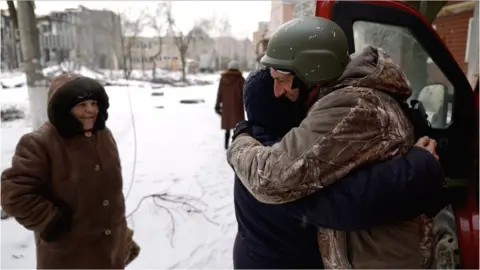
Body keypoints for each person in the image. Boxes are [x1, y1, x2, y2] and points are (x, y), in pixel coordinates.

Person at [228, 17, 445, 268]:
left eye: (282, 79)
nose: (277, 91)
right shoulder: (349, 96)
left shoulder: (349, 105)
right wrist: (413, 173)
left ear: (312, 72)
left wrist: (240, 141)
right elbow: (341, 195)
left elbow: (271, 179)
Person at [1, 74, 140, 269]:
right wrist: (53, 222)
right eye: (81, 105)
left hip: (110, 254)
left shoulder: (104, 136)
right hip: (68, 256)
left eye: (93, 103)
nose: (90, 110)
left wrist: (120, 233)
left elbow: (109, 193)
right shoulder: (40, 143)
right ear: (64, 108)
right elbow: (14, 194)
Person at [215, 60, 245, 149]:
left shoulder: (223, 79)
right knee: (238, 128)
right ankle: (236, 147)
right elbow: (245, 94)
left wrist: (217, 105)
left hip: (226, 107)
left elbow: (219, 93)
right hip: (237, 107)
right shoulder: (240, 79)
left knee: (227, 128)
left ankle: (226, 146)